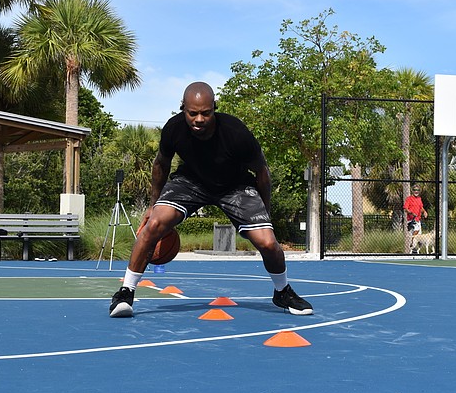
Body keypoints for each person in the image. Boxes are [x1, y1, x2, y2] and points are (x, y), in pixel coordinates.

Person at [110, 81, 313, 318]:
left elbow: (262, 173)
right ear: (183, 109)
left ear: (214, 108)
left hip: (234, 185)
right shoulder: (173, 129)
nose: (199, 119)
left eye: (205, 113)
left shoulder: (236, 133)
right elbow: (160, 165)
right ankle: (126, 292)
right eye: (192, 113)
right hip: (191, 182)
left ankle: (282, 292)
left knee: (268, 243)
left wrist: (265, 213)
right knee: (154, 224)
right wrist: (153, 204)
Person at [403, 185, 428, 253]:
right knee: (416, 230)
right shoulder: (409, 199)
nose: (416, 191)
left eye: (417, 190)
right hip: (411, 219)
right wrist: (411, 213)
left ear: (419, 191)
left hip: (418, 219)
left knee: (419, 235)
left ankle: (415, 249)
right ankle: (412, 245)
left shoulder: (419, 199)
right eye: (414, 190)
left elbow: (421, 208)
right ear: (412, 191)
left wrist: (424, 212)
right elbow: (405, 209)